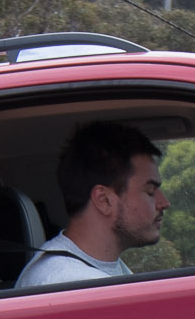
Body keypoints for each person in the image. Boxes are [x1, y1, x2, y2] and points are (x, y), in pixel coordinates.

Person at [14, 120, 170, 287]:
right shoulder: (69, 284)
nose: (164, 203)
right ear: (104, 200)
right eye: (150, 191)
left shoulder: (98, 269)